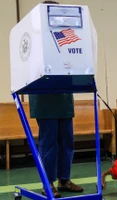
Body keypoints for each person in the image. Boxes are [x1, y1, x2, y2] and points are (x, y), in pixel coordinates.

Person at [28, 1, 83, 198]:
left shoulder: (67, 35)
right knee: (48, 143)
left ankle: (64, 179)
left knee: (67, 142)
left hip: (64, 97)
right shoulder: (35, 37)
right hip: (44, 99)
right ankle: (47, 183)